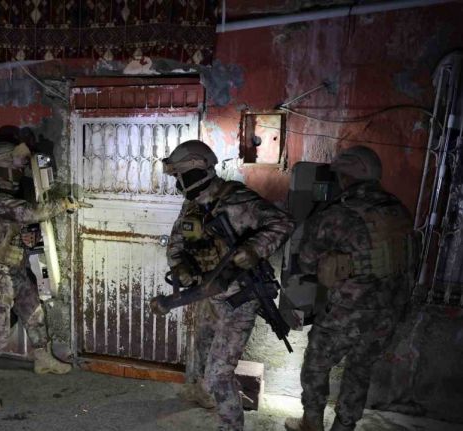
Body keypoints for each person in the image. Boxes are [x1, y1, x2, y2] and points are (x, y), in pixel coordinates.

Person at [163, 140, 294, 431]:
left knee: (219, 375)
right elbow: (177, 243)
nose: (177, 182)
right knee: (203, 359)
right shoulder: (193, 204)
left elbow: (283, 223)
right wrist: (180, 267)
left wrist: (255, 249)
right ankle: (207, 395)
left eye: (179, 175)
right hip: (209, 295)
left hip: (239, 300)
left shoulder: (238, 199)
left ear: (195, 170)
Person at [284, 146, 413, 431]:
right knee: (360, 369)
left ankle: (311, 423)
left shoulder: (339, 213)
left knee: (316, 365)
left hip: (348, 313)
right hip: (390, 312)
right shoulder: (399, 210)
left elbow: (306, 261)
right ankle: (344, 426)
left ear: (345, 176)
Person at [0, 141, 83, 413]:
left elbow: (14, 225)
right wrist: (62, 203)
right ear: (4, 166)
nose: (21, 170)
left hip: (11, 265)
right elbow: (28, 212)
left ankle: (42, 358)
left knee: (33, 310)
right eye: (18, 165)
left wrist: (24, 237)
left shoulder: (5, 193)